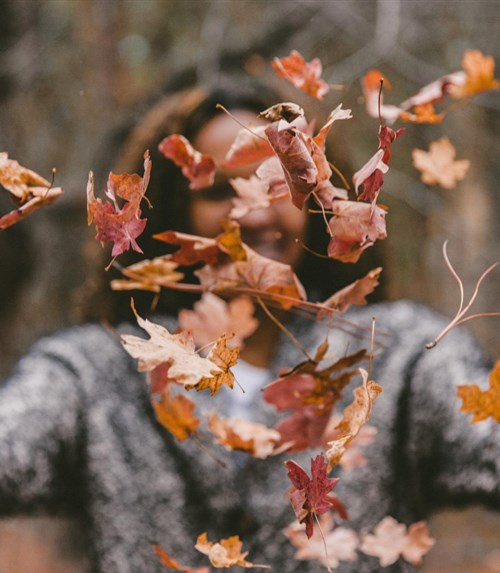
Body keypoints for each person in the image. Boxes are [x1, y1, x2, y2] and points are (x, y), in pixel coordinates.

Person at [0, 71, 498, 573]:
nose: (254, 214)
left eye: (277, 184)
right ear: (176, 209)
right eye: (218, 190)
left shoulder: (400, 353)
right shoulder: (96, 370)